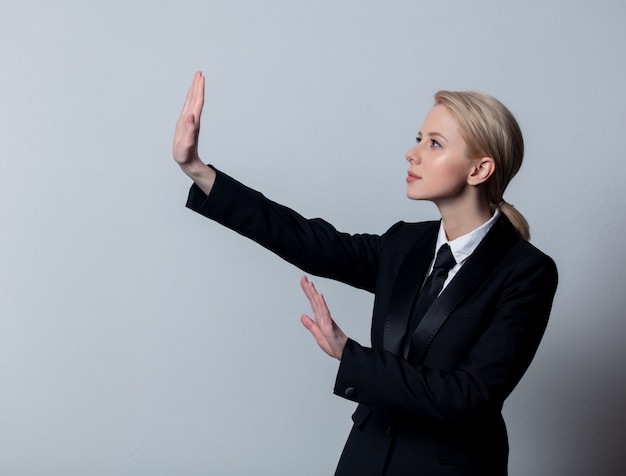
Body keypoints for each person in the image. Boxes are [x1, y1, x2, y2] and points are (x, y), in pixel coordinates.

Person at [172, 71, 558, 476]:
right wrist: (197, 169)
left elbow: (470, 397)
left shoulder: (526, 272)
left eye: (435, 143)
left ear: (479, 170)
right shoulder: (403, 244)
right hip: (367, 460)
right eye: (419, 138)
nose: (413, 154)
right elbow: (308, 241)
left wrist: (349, 354)